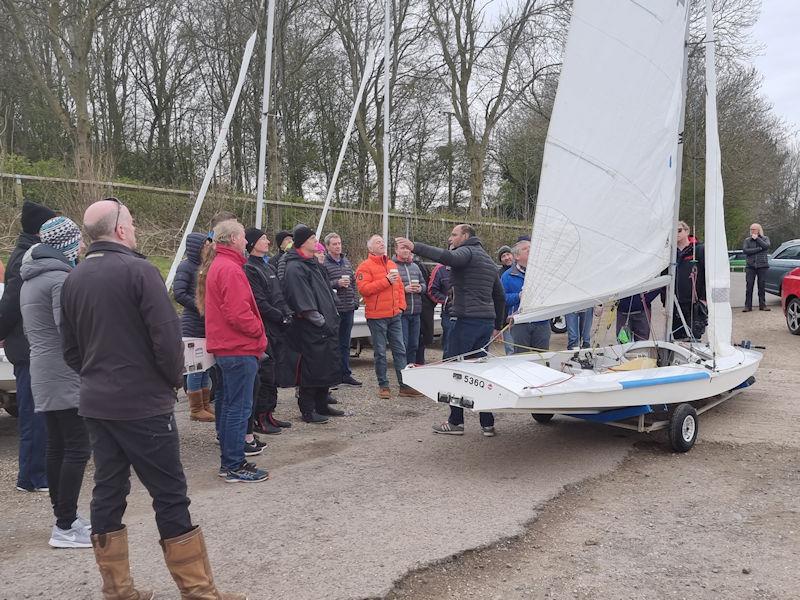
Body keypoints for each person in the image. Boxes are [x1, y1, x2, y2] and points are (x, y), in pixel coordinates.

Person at [60, 198, 246, 599]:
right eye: (132, 221)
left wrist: (97, 378)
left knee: (108, 492)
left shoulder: (74, 278)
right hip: (143, 404)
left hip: (97, 403)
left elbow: (70, 350)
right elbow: (167, 341)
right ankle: (198, 591)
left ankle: (118, 590)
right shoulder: (140, 271)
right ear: (122, 230)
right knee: (169, 493)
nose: (136, 227)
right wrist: (170, 383)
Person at [20, 216, 91, 548]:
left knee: (57, 446)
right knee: (77, 447)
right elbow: (70, 330)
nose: (79, 247)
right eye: (76, 241)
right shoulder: (60, 279)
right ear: (65, 244)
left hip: (42, 369)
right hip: (64, 370)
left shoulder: (32, 277)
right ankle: (65, 525)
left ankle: (66, 519)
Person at [395, 225, 505, 436]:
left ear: (465, 236)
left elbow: (446, 257)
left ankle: (455, 422)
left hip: (465, 321)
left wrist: (414, 246)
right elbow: (499, 296)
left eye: (454, 234)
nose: (450, 238)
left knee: (454, 372)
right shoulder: (488, 260)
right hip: (484, 323)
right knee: (480, 374)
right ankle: (487, 424)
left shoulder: (467, 252)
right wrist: (497, 326)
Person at [198, 219, 269, 481]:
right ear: (233, 239)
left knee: (229, 405)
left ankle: (230, 462)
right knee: (238, 407)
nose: (246, 241)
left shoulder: (222, 265)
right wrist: (259, 333)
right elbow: (238, 313)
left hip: (229, 347)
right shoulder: (229, 268)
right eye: (242, 236)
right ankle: (234, 464)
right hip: (237, 347)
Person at [0, 200, 56, 493]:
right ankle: (32, 477)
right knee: (33, 413)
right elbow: (10, 302)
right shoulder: (25, 258)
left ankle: (34, 474)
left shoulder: (27, 253)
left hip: (29, 344)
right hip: (27, 346)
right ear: (40, 229)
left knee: (37, 411)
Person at [282, 225, 344, 422]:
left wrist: (333, 313)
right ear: (302, 242)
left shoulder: (313, 264)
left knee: (325, 366)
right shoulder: (295, 267)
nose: (315, 242)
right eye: (311, 238)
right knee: (311, 368)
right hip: (311, 327)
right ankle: (307, 410)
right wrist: (320, 321)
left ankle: (322, 404)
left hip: (326, 325)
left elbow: (326, 290)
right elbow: (302, 300)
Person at [355, 235, 420, 399]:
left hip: (394, 315)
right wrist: (385, 280)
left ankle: (404, 386)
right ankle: (383, 386)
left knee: (400, 350)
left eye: (383, 242)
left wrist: (400, 306)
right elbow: (364, 290)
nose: (382, 244)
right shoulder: (364, 267)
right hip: (377, 317)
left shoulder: (391, 264)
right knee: (380, 352)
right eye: (378, 243)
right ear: (370, 248)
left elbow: (398, 288)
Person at [243, 227, 293, 434]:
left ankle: (270, 413)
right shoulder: (250, 268)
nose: (267, 242)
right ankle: (260, 417)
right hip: (265, 326)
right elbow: (259, 301)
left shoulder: (268, 266)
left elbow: (278, 294)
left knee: (275, 372)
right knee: (265, 373)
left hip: (278, 326)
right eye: (263, 239)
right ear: (253, 243)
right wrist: (278, 316)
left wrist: (287, 313)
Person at [173, 231, 214, 421]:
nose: (209, 247)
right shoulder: (186, 267)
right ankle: (195, 408)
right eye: (206, 244)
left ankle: (205, 404)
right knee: (195, 367)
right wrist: (201, 306)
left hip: (205, 324)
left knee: (205, 366)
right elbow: (179, 293)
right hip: (192, 325)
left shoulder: (205, 266)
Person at [323, 232, 362, 386]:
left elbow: (353, 282)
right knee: (333, 344)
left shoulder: (346, 261)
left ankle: (345, 374)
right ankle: (332, 376)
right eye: (334, 244)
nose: (338, 246)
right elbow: (323, 285)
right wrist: (336, 283)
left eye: (339, 243)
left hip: (348, 307)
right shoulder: (324, 263)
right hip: (334, 309)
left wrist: (355, 300)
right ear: (327, 246)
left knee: (345, 343)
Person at [501, 240, 550, 354]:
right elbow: (502, 299)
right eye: (525, 249)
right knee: (520, 358)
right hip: (520, 323)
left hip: (541, 321)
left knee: (542, 357)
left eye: (530, 247)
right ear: (516, 256)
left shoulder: (542, 274)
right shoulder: (507, 276)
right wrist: (518, 296)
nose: (529, 250)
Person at [393, 242, 427, 367]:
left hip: (416, 312)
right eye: (403, 248)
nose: (406, 251)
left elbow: (424, 284)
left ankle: (411, 371)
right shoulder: (392, 267)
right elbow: (390, 288)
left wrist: (420, 289)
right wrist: (404, 289)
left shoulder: (415, 267)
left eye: (408, 248)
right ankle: (402, 371)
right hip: (402, 312)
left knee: (414, 344)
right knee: (404, 344)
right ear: (396, 250)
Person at [673, 221, 706, 340]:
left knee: (694, 338)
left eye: (679, 230)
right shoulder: (670, 253)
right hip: (675, 303)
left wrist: (704, 299)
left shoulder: (699, 249)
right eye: (673, 231)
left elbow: (707, 275)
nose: (676, 233)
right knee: (676, 338)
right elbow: (665, 276)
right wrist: (664, 302)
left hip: (695, 304)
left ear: (687, 231)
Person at [742, 223, 771, 312]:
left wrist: (757, 239)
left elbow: (766, 246)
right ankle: (748, 306)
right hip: (750, 266)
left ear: (759, 230)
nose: (752, 231)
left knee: (761, 285)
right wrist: (758, 249)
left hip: (762, 265)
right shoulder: (747, 240)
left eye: (754, 229)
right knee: (749, 285)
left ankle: (762, 305)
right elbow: (745, 250)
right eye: (751, 229)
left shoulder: (765, 238)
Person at [428, 261, 453, 357]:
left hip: (468, 313)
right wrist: (446, 300)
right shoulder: (440, 269)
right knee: (449, 345)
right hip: (449, 312)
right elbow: (432, 290)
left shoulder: (469, 266)